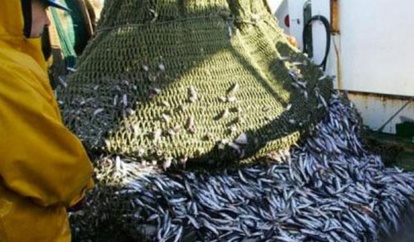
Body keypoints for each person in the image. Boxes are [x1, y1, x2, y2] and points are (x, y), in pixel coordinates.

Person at [0, 0, 95, 241]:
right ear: (14, 9)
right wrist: (77, 188)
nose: (48, 20)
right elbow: (37, 156)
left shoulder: (14, 55)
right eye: (42, 8)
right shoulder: (6, 71)